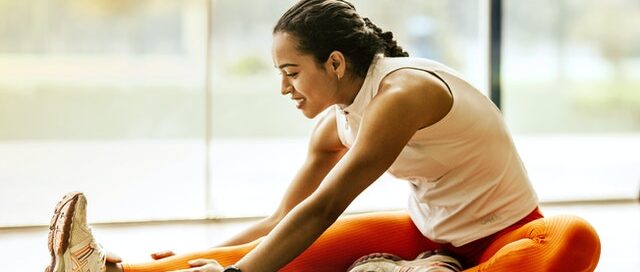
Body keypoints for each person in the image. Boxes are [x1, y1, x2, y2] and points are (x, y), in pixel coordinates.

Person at [45, 0, 601, 272]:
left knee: (577, 239)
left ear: (334, 62)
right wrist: (206, 255)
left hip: (510, 237)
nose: (285, 88)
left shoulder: (401, 96)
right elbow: (283, 219)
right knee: (269, 254)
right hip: (428, 237)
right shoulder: (333, 124)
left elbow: (328, 205)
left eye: (292, 72)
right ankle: (99, 268)